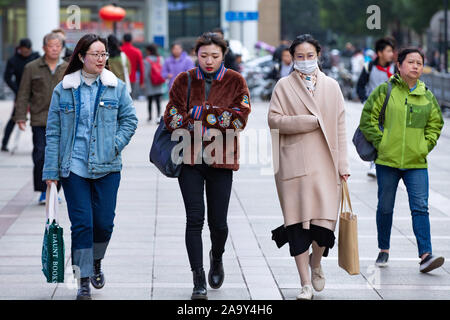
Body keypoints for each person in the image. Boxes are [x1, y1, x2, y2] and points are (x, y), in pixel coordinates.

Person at [43, 34, 138, 300]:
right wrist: (50, 173)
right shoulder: (64, 89)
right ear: (82, 56)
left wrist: (114, 145)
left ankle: (96, 261)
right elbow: (53, 132)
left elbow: (129, 120)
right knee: (82, 224)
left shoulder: (115, 87)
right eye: (95, 54)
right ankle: (83, 279)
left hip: (107, 166)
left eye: (104, 54)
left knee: (104, 224)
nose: (101, 59)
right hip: (73, 168)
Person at [163, 32, 251, 300]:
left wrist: (207, 114)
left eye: (214, 56)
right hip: (189, 157)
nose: (209, 61)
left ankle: (217, 257)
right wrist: (192, 119)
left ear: (223, 55)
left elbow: (240, 120)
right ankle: (198, 277)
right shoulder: (184, 79)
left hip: (221, 160)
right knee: (194, 219)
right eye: (203, 56)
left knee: (219, 223)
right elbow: (171, 116)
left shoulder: (236, 81)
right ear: (196, 55)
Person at [268, 34, 350, 300]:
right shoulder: (283, 85)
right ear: (292, 58)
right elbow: (274, 120)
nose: (304, 61)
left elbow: (339, 126)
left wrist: (343, 164)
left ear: (319, 55)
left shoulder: (332, 86)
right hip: (294, 164)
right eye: (299, 57)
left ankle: (316, 263)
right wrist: (306, 121)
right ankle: (304, 282)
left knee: (323, 227)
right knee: (297, 224)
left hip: (327, 163)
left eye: (310, 56)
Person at [359, 47, 445, 273]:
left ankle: (426, 255)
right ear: (399, 66)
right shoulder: (384, 90)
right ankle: (383, 248)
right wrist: (382, 143)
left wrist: (425, 146)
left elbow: (436, 124)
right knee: (385, 207)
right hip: (387, 161)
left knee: (420, 207)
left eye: (419, 62)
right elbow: (367, 118)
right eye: (411, 62)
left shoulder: (427, 96)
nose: (416, 66)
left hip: (416, 164)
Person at [13, 32, 68, 204]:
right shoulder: (32, 67)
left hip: (62, 120)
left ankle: (55, 190)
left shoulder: (67, 67)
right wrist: (20, 116)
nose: (54, 49)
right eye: (51, 46)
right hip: (39, 119)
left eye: (57, 46)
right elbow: (23, 93)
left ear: (61, 48)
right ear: (44, 48)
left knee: (59, 156)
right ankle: (44, 189)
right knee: (40, 154)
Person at [357, 38, 396, 178]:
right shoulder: (369, 67)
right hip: (373, 109)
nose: (392, 54)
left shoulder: (396, 68)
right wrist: (364, 100)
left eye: (392, 51)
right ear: (380, 53)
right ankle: (374, 162)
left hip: (392, 108)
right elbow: (360, 85)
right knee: (374, 133)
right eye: (389, 51)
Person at [2, 38, 40, 152]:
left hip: (36, 92)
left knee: (38, 118)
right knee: (15, 117)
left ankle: (39, 145)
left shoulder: (36, 57)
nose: (26, 53)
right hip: (20, 93)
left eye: (28, 51)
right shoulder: (13, 60)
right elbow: (7, 77)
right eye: (24, 50)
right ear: (20, 49)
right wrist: (17, 90)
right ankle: (4, 143)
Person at [144, 43, 165, 123]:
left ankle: (150, 117)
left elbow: (146, 73)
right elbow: (163, 70)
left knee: (149, 100)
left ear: (149, 51)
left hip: (150, 83)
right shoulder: (160, 58)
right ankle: (158, 116)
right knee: (158, 100)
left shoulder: (146, 60)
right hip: (159, 82)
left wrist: (144, 82)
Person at [120, 33, 144, 98]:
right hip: (132, 78)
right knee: (130, 99)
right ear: (131, 40)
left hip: (120, 78)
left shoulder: (119, 50)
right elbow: (141, 68)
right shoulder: (137, 51)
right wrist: (141, 82)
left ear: (123, 40)